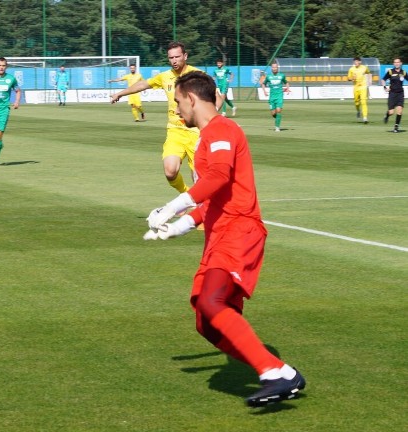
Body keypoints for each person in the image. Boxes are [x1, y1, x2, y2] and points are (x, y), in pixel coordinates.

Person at [143, 71, 306, 408]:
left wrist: (173, 206)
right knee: (206, 321)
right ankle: (281, 372)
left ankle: (270, 373)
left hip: (238, 231)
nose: (176, 110)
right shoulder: (206, 139)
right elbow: (213, 198)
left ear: (191, 98)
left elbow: (219, 177)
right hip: (219, 236)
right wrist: (179, 226)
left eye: (177, 103)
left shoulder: (223, 129)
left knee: (212, 303)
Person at [110, 41, 200, 193]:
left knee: (198, 177)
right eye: (171, 57)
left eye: (177, 56)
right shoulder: (165, 77)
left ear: (185, 56)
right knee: (170, 171)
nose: (174, 60)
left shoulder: (197, 75)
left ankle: (203, 207)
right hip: (175, 131)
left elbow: (214, 98)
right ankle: (187, 196)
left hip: (196, 132)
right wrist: (120, 93)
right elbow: (142, 85)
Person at [260, 61, 289, 132]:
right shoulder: (269, 76)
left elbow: (286, 82)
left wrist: (287, 89)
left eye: (276, 67)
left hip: (279, 96)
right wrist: (264, 91)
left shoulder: (282, 75)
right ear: (271, 68)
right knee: (273, 113)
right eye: (273, 67)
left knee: (278, 110)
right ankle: (278, 119)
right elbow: (263, 84)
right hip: (272, 97)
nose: (274, 68)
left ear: (277, 68)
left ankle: (277, 127)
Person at [382, 57, 405, 133]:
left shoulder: (403, 72)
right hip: (392, 94)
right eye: (395, 62)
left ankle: (396, 127)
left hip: (400, 94)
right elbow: (383, 80)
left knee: (399, 111)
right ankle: (387, 115)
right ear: (393, 64)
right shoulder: (390, 72)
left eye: (398, 62)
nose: (397, 63)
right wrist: (385, 87)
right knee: (391, 112)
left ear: (401, 63)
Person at [347, 57, 371, 124]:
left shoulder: (364, 68)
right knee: (356, 102)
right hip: (356, 87)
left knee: (364, 102)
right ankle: (358, 111)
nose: (356, 63)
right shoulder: (351, 69)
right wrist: (352, 78)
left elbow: (369, 73)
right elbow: (348, 78)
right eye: (355, 61)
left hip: (363, 87)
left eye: (357, 61)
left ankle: (365, 118)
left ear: (360, 62)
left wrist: (369, 82)